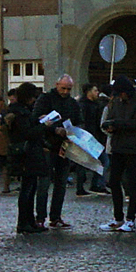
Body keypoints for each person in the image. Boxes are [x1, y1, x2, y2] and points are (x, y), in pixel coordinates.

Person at [98, 78, 136, 233]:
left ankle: (131, 219)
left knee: (132, 182)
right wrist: (109, 126)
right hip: (118, 146)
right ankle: (118, 217)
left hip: (134, 147)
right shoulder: (117, 101)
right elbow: (111, 118)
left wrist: (117, 124)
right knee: (114, 181)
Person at [3, 83, 54, 235]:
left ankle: (29, 221)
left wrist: (38, 121)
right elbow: (28, 133)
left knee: (30, 188)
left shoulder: (20, 111)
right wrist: (43, 125)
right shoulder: (20, 112)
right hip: (25, 155)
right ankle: (24, 222)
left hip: (26, 154)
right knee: (27, 190)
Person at [40, 74, 83, 227]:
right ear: (57, 84)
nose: (65, 91)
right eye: (63, 88)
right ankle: (40, 217)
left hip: (65, 147)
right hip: (47, 145)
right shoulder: (45, 99)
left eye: (68, 89)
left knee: (61, 184)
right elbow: (37, 119)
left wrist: (72, 132)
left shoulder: (72, 103)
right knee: (44, 184)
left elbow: (79, 121)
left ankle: (55, 217)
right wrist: (53, 128)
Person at [78, 84, 106, 194]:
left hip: (93, 137)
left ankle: (92, 185)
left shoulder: (94, 104)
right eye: (95, 90)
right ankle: (91, 185)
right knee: (100, 161)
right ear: (88, 92)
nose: (97, 92)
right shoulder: (84, 106)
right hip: (87, 137)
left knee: (97, 161)